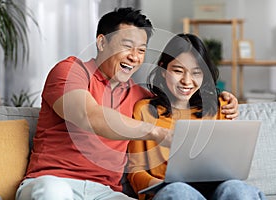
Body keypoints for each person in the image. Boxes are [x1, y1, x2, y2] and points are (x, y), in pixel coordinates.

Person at [16, 8, 239, 200]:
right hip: (53, 181)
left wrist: (222, 97)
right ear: (102, 42)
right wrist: (156, 133)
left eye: (141, 50)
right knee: (52, 193)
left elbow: (180, 96)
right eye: (127, 46)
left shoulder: (139, 97)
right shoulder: (71, 71)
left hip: (105, 192)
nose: (135, 56)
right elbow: (89, 117)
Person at [127, 33, 266, 200]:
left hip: (217, 190)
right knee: (179, 191)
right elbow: (136, 171)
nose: (187, 81)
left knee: (237, 189)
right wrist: (159, 185)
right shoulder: (145, 110)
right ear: (163, 70)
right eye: (178, 71)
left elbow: (230, 164)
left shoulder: (220, 106)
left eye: (196, 73)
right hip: (174, 192)